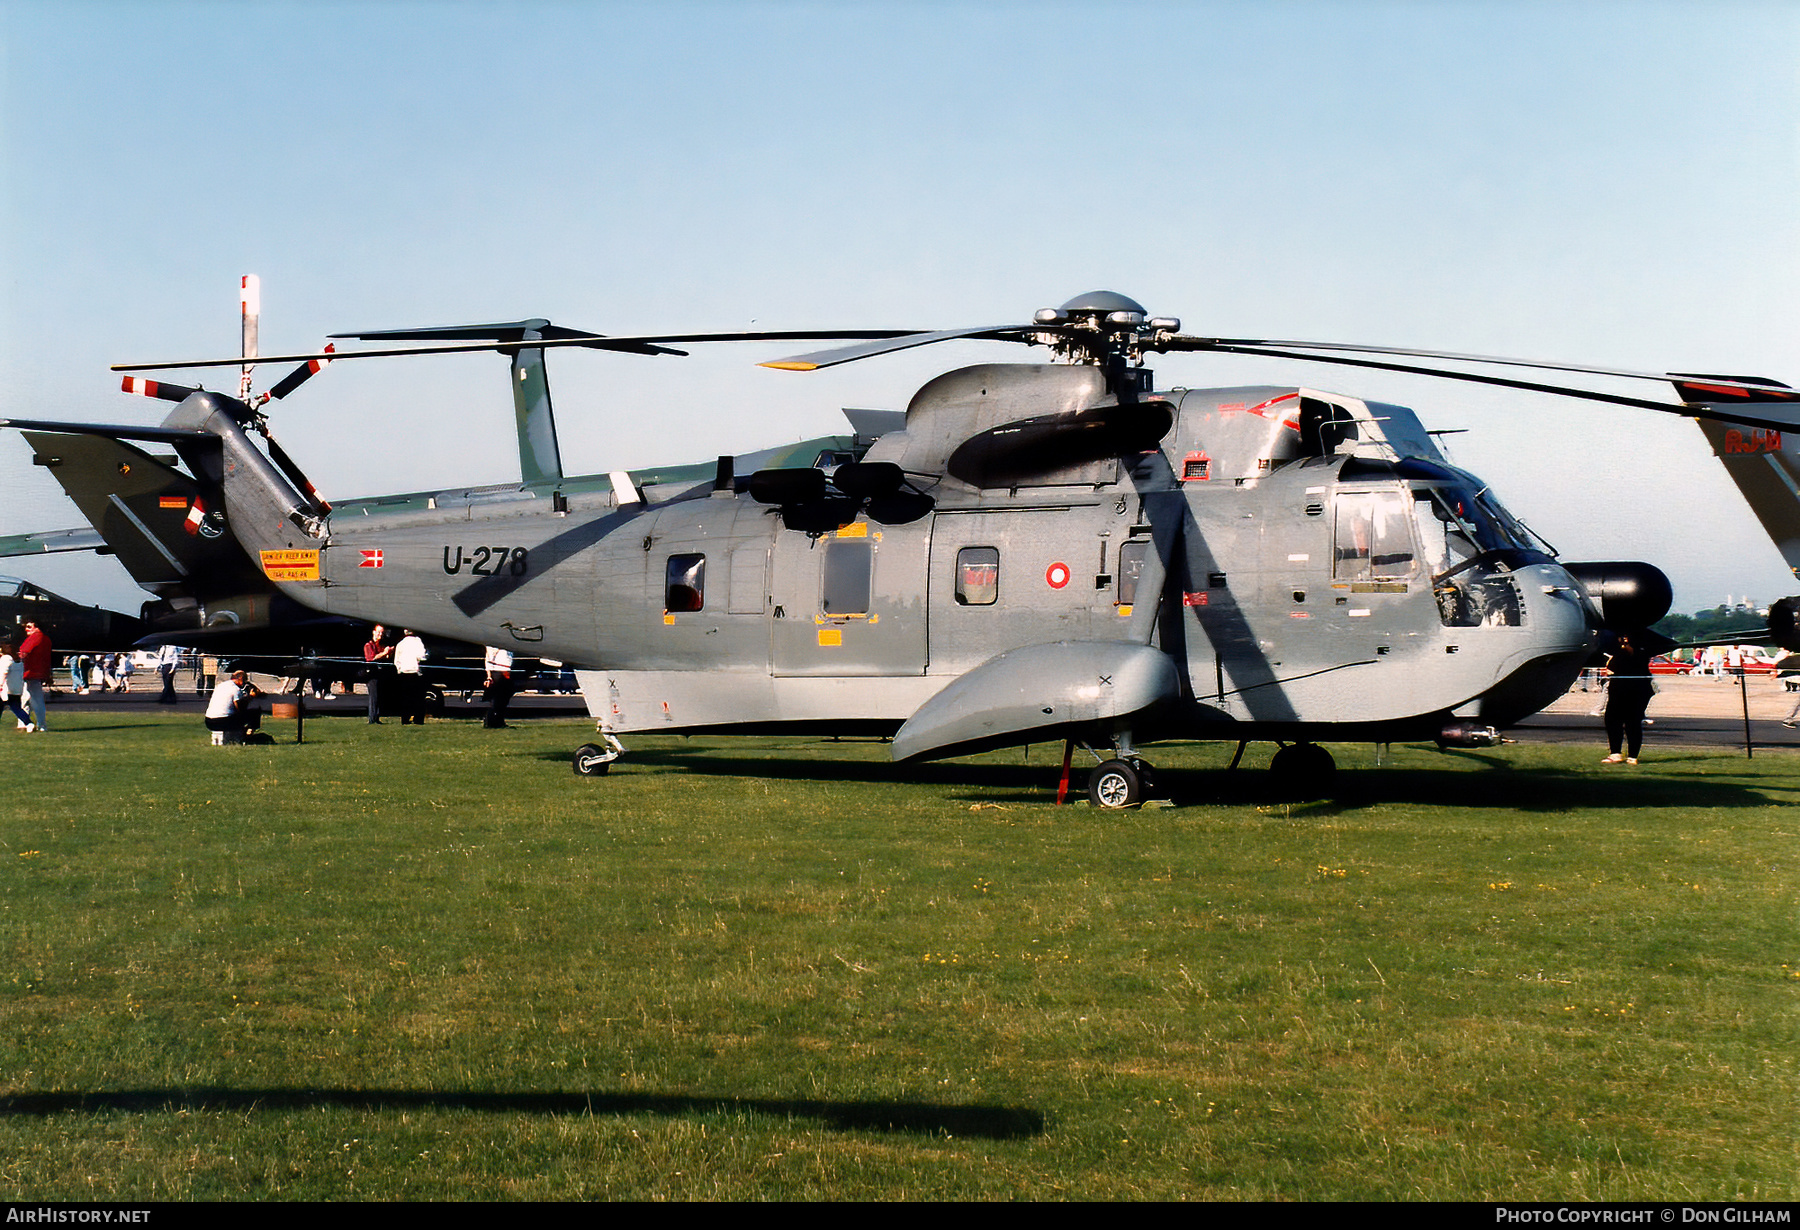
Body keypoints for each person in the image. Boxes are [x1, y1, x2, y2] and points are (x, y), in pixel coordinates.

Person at [1600, 632, 1656, 765]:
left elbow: (1612, 666)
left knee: (1613, 720)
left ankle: (1615, 753)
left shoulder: (1623, 653)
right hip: (1641, 690)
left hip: (1621, 690)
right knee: (1634, 723)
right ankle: (1633, 756)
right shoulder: (1643, 652)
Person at [204, 669, 262, 745]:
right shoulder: (236, 689)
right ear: (240, 679)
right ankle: (248, 734)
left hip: (209, 721)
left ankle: (242, 732)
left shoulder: (220, 686)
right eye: (244, 681)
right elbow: (240, 709)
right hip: (223, 721)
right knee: (255, 712)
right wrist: (250, 697)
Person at [18, 620, 52, 733]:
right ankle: (24, 723)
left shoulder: (35, 637)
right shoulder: (46, 639)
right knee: (26, 698)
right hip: (38, 672)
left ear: (37, 627)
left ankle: (41, 725)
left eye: (29, 626)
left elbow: (24, 652)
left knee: (35, 700)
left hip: (30, 672)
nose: (26, 629)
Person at [394, 629, 428, 724]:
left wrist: (399, 669)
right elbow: (422, 656)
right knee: (418, 697)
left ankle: (405, 719)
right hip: (415, 672)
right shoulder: (418, 642)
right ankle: (418, 719)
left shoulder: (400, 644)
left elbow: (397, 660)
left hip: (404, 672)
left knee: (406, 698)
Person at [363, 624, 394, 724]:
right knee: (373, 696)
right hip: (372, 674)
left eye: (382, 632)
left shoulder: (381, 645)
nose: (380, 634)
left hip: (380, 673)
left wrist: (388, 653)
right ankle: (372, 718)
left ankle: (376, 717)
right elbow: (371, 658)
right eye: (378, 632)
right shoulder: (368, 645)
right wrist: (384, 653)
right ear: (373, 632)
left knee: (379, 695)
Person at [482, 645, 515, 729]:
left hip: (506, 670)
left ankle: (499, 720)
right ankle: (491, 720)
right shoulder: (493, 645)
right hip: (498, 671)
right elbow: (489, 658)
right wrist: (489, 676)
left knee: (504, 698)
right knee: (498, 698)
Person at [0, 642, 30, 730]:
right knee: (15, 707)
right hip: (17, 687)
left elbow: (3, 673)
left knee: (16, 708)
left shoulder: (6, 659)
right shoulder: (18, 661)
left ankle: (28, 723)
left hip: (7, 688)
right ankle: (28, 723)